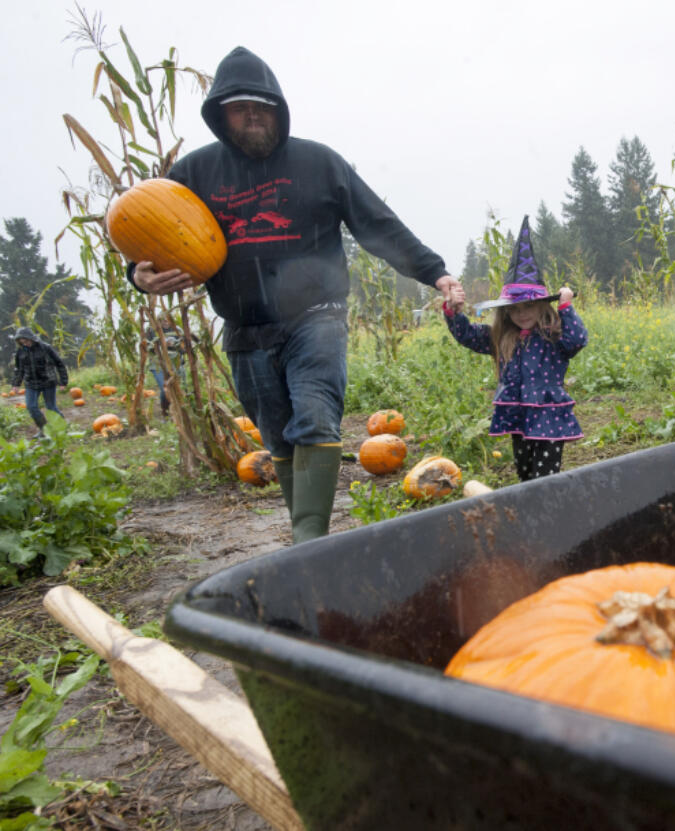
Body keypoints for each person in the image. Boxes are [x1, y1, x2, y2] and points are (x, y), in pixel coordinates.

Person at [127, 46, 459, 543]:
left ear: (279, 108)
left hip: (315, 315)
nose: (253, 114)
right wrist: (139, 275)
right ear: (221, 114)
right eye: (240, 107)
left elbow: (379, 226)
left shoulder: (318, 162)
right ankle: (307, 536)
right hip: (244, 329)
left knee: (316, 416)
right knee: (279, 435)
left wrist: (436, 273)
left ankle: (309, 544)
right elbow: (149, 233)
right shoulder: (193, 176)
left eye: (262, 105)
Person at [443, 217, 587, 481]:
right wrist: (454, 313)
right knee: (524, 472)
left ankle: (545, 511)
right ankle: (529, 507)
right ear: (507, 310)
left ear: (543, 305)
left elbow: (577, 340)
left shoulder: (553, 337)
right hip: (519, 418)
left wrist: (566, 308)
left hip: (549, 417)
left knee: (545, 477)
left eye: (529, 306)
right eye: (515, 308)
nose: (522, 314)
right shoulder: (500, 338)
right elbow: (466, 335)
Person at [8, 327, 69, 439]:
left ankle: (62, 427)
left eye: (26, 341)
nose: (25, 344)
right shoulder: (20, 352)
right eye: (22, 342)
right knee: (31, 407)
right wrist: (16, 384)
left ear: (31, 338)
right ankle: (44, 429)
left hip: (48, 381)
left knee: (51, 407)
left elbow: (59, 363)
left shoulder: (45, 348)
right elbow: (19, 369)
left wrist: (63, 381)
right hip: (31, 383)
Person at [144, 314, 184, 418]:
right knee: (165, 387)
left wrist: (176, 345)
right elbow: (146, 346)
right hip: (157, 364)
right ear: (158, 321)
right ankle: (165, 413)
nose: (165, 322)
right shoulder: (151, 330)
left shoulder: (177, 330)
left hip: (175, 363)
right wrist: (160, 345)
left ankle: (179, 413)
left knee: (179, 388)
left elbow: (184, 348)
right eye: (163, 321)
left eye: (167, 320)